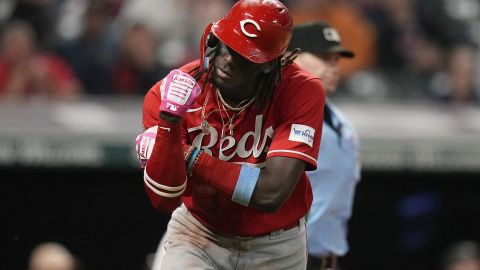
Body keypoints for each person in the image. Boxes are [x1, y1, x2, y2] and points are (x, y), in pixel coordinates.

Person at [136, 0, 326, 269]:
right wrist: (168, 124)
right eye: (227, 45)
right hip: (199, 233)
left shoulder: (301, 90)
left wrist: (188, 155)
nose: (227, 59)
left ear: (270, 64)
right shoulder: (170, 94)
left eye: (244, 56)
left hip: (276, 247)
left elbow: (270, 194)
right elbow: (164, 201)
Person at [288, 22, 361, 270]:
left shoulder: (343, 123)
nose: (334, 67)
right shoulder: (275, 115)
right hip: (281, 258)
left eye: (336, 59)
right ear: (292, 57)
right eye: (323, 57)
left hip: (327, 260)